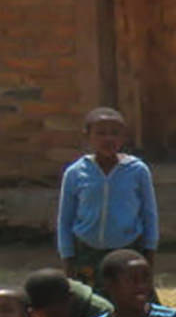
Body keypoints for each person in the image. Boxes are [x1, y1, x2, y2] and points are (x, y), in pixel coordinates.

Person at [55, 106, 158, 286]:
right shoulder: (75, 172)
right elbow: (65, 219)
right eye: (101, 133)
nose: (108, 138)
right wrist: (68, 257)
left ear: (123, 137)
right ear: (87, 136)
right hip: (87, 250)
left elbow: (149, 214)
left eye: (115, 133)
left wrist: (149, 252)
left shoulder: (137, 170)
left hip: (128, 249)